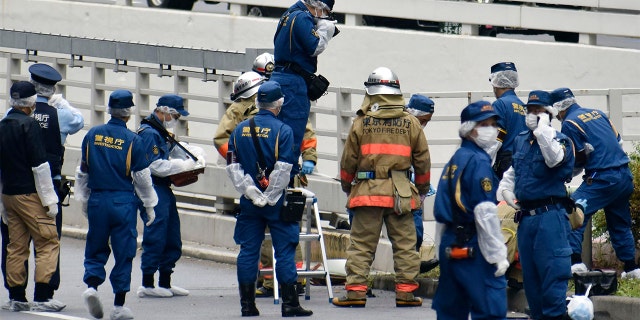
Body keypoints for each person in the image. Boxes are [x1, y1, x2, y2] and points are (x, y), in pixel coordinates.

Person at [332, 67, 430, 308]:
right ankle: (406, 293)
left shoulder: (361, 122)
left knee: (362, 245)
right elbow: (422, 160)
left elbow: (348, 161)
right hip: (401, 193)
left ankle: (356, 292)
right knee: (406, 245)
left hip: (367, 192)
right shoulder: (411, 123)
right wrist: (422, 188)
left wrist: (347, 185)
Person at [214, 71, 316, 297]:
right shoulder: (284, 128)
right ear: (279, 102)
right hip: (279, 197)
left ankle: (247, 304)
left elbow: (232, 165)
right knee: (286, 247)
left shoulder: (240, 128)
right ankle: (290, 302)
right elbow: (284, 168)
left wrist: (249, 189)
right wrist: (271, 194)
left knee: (249, 250)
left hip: (250, 199)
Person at [74, 90, 158, 320]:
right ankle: (119, 305)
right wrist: (150, 205)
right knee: (124, 252)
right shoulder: (133, 140)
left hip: (97, 199)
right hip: (123, 201)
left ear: (109, 109)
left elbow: (83, 171)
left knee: (95, 245)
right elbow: (142, 177)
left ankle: (91, 285)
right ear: (129, 112)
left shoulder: (92, 135)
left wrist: (83, 199)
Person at [498, 90, 576, 320]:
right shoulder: (522, 139)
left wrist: (542, 130)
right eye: (529, 110)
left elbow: (554, 159)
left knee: (552, 279)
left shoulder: (560, 140)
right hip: (527, 219)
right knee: (531, 283)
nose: (532, 115)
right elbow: (513, 171)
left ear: (549, 113)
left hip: (549, 217)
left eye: (538, 111)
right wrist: (506, 189)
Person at [550, 87, 640, 278]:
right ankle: (632, 268)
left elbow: (576, 157)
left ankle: (575, 264)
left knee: (573, 212)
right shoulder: (597, 113)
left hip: (603, 178)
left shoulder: (569, 123)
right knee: (620, 223)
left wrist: (564, 174)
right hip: (624, 175)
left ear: (559, 108)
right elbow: (618, 141)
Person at [432, 101, 509, 319]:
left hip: (451, 243)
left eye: (493, 124)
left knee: (450, 310)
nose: (491, 129)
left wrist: (441, 247)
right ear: (469, 128)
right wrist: (497, 254)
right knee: (489, 308)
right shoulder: (478, 161)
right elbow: (484, 212)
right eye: (484, 124)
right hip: (473, 244)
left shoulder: (456, 158)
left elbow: (441, 208)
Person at [0, 81, 61, 312]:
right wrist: (50, 200)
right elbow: (40, 166)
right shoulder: (29, 125)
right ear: (32, 103)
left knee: (16, 245)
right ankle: (43, 297)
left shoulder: (2, 125)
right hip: (30, 193)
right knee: (47, 240)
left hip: (9, 194)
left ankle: (16, 296)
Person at [136, 94, 203, 298]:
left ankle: (165, 282)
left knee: (172, 235)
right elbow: (154, 165)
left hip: (163, 189)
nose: (177, 120)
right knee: (156, 234)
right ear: (164, 111)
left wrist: (195, 155)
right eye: (175, 115)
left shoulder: (159, 131)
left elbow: (175, 151)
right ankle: (148, 283)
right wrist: (184, 166)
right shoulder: (149, 133)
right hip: (152, 187)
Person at [271, 0, 337, 176]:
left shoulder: (288, 14)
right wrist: (326, 29)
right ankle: (289, 176)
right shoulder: (302, 18)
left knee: (275, 130)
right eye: (325, 11)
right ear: (318, 6)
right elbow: (314, 46)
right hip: (293, 82)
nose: (324, 16)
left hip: (279, 76)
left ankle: (274, 172)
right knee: (293, 130)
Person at [489, 62, 527, 179]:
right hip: (525, 162)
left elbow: (495, 140)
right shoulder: (523, 106)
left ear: (495, 83)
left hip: (506, 164)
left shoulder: (500, 105)